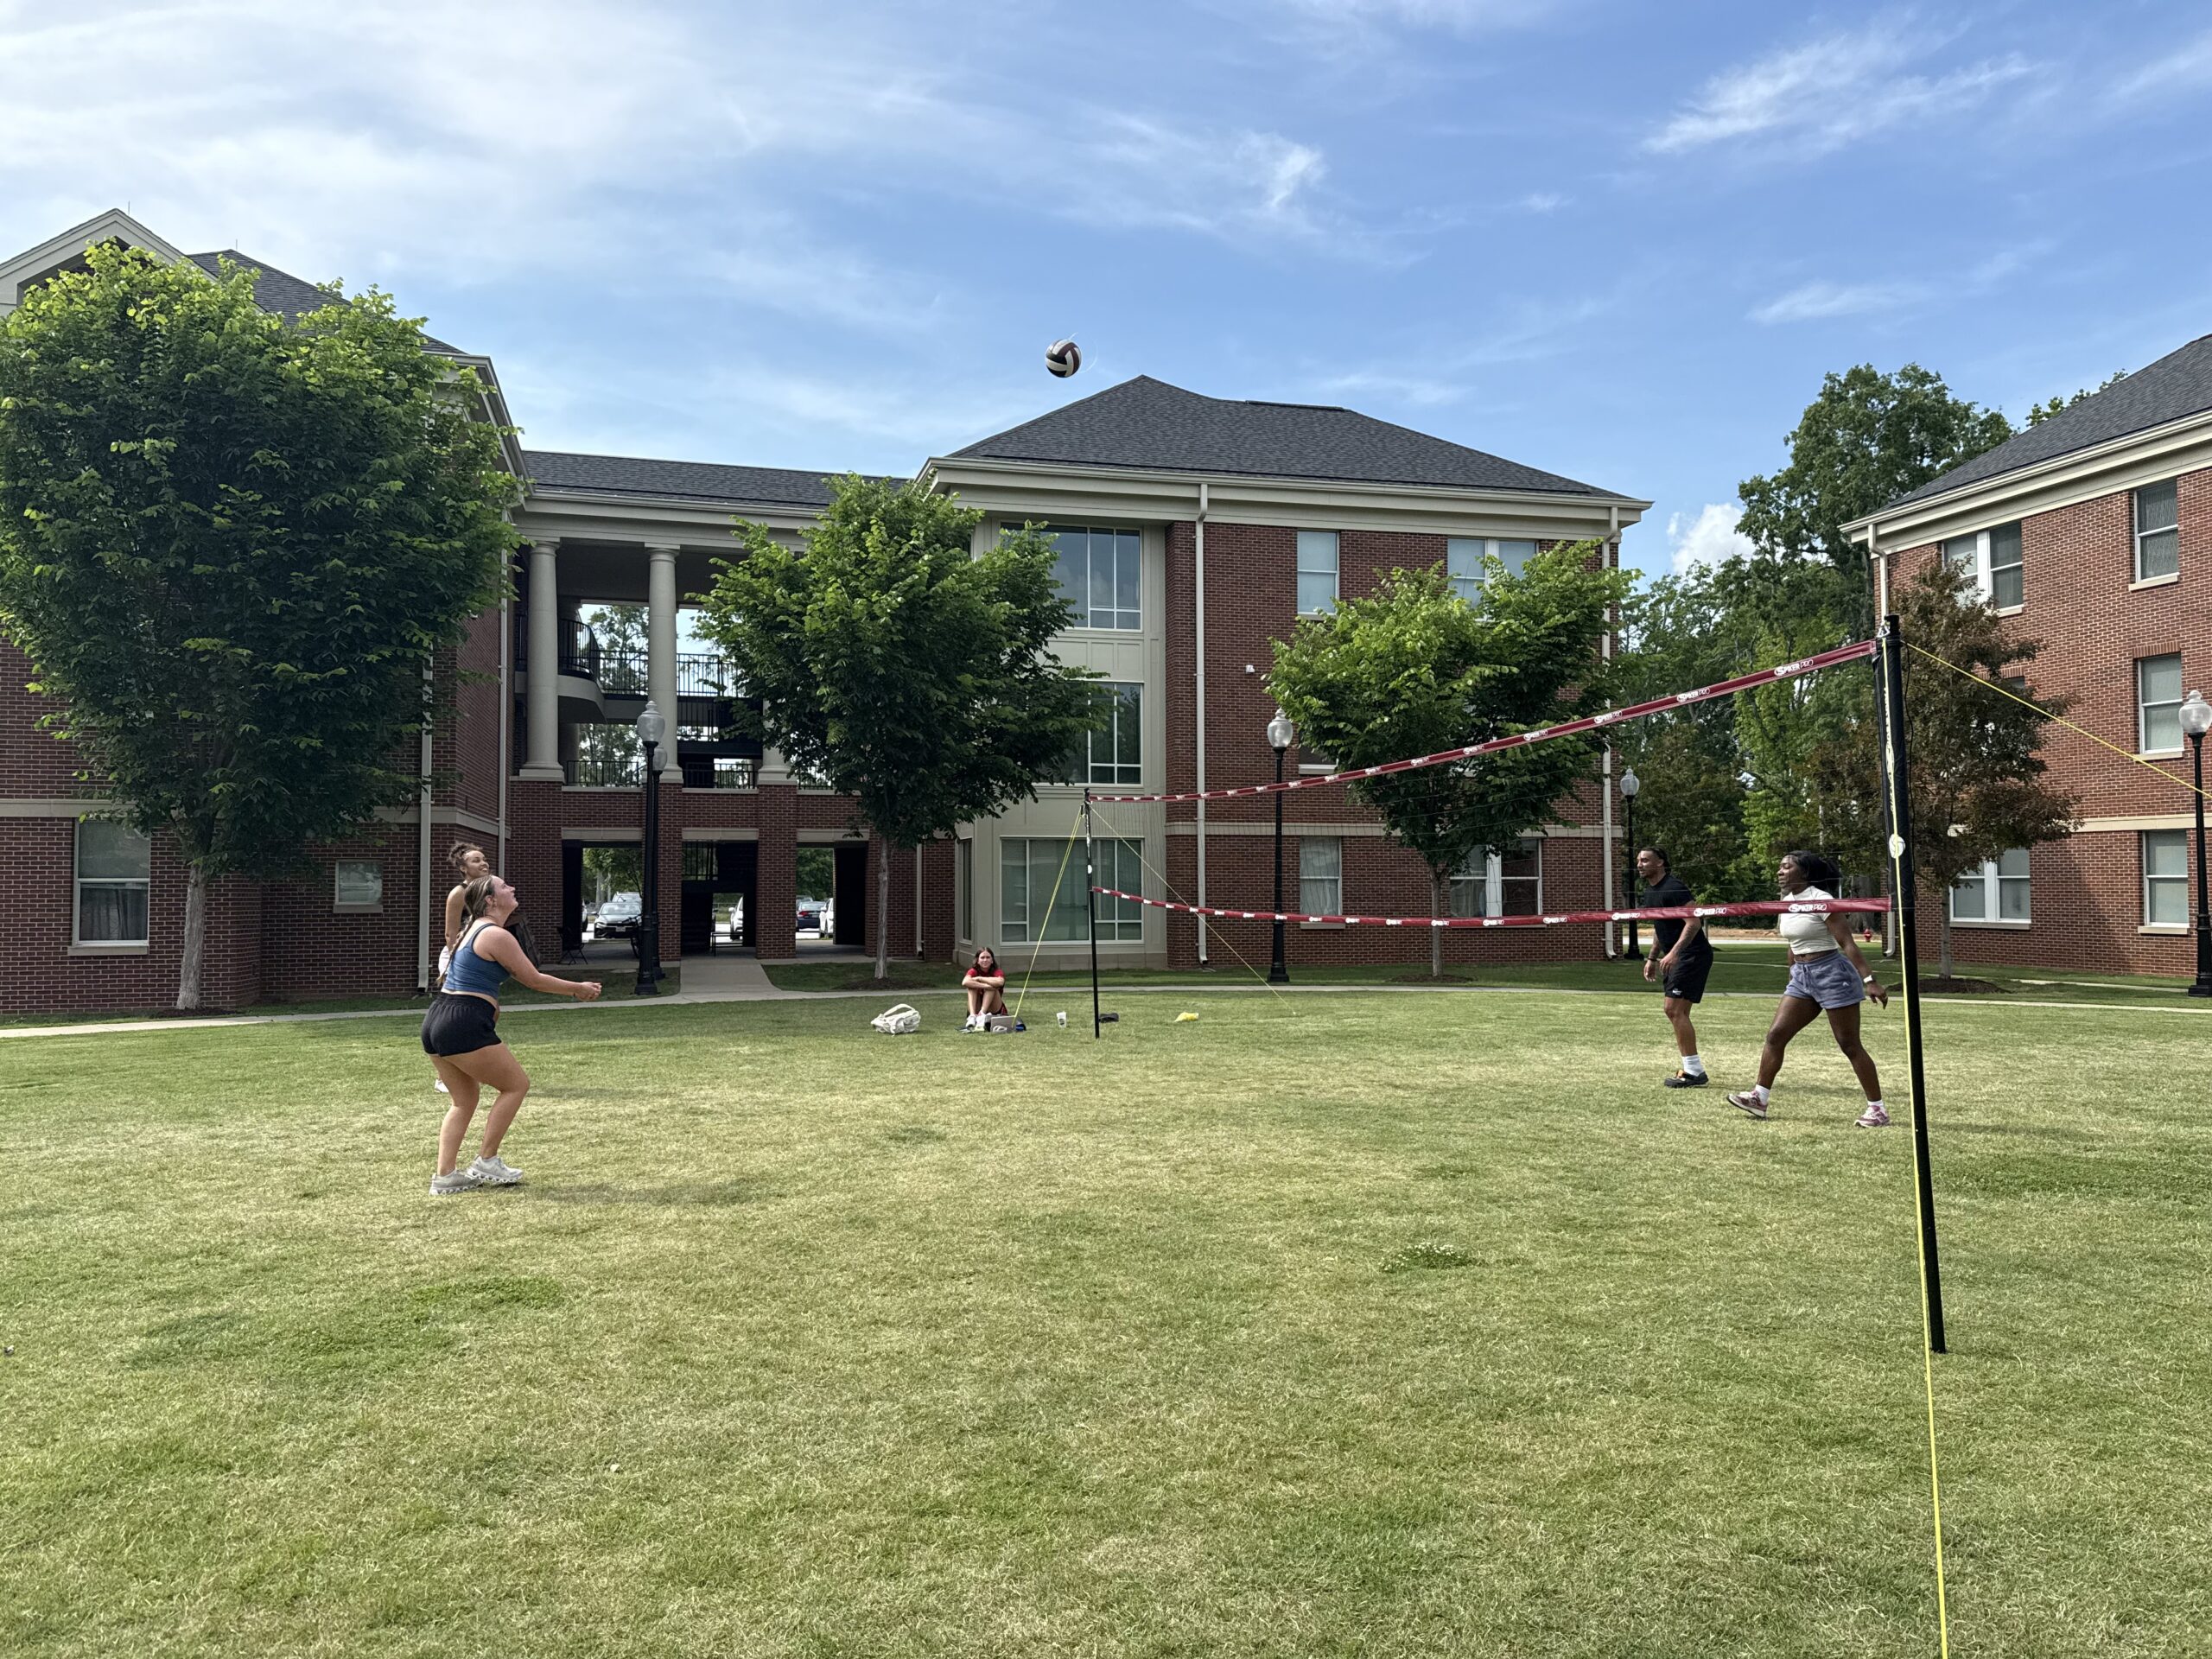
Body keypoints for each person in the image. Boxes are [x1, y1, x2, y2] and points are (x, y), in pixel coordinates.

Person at [423, 874, 602, 1195]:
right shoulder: (495, 934)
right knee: (516, 1085)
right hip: (462, 1021)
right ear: (491, 899)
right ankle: (486, 1160)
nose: (512, 889)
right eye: (504, 886)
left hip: (438, 1020)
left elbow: (469, 980)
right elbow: (532, 979)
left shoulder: (471, 929)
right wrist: (578, 989)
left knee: (464, 1101)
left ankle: (446, 1176)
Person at [1726, 852, 1891, 1128]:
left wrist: (1869, 980)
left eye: (1786, 867)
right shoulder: (1786, 902)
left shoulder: (1822, 900)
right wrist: (1793, 972)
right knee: (1776, 1035)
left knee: (1849, 1044)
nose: (1779, 871)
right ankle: (1759, 1098)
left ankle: (1878, 1110)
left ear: (1804, 873)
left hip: (1832, 973)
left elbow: (1847, 944)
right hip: (1802, 976)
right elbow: (1793, 943)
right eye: (1779, 866)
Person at [1636, 846, 1713, 1088]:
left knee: (1673, 1010)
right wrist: (1652, 957)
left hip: (1692, 955)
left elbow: (1693, 922)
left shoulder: (1674, 887)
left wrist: (1675, 953)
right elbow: (1661, 928)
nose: (1640, 864)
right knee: (1677, 1012)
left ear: (1660, 863)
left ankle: (1694, 1072)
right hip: (1677, 955)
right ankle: (1692, 1069)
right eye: (1638, 860)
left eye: (1645, 860)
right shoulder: (1650, 892)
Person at [432, 843, 493, 1095]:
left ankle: (471, 1067)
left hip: (477, 955)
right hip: (457, 956)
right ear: (463, 868)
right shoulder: (459, 893)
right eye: (476, 860)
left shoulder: (488, 890)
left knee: (490, 1011)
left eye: (484, 859)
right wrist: (458, 961)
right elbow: (450, 933)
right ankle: (442, 1077)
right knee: (454, 1016)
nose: (484, 863)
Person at [961, 948, 1009, 1031]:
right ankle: (972, 1016)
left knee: (992, 987)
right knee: (972, 987)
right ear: (978, 961)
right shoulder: (973, 971)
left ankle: (982, 1015)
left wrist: (980, 978)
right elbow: (965, 982)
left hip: (994, 1008)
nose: (985, 960)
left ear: (992, 960)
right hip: (977, 1007)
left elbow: (1000, 982)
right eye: (982, 957)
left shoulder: (997, 971)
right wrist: (985, 986)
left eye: (988, 957)